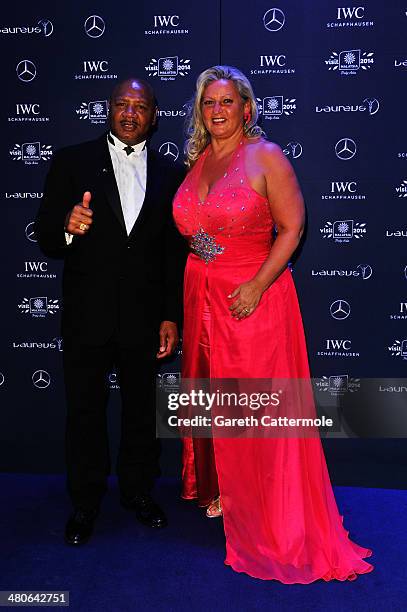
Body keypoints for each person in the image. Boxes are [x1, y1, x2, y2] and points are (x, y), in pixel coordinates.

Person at [172, 65, 373, 582]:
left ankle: (272, 516)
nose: (216, 111)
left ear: (246, 107)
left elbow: (292, 226)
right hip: (202, 298)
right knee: (217, 401)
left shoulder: (265, 156)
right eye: (208, 103)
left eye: (226, 102)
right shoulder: (197, 161)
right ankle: (226, 493)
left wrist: (258, 284)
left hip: (252, 298)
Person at [36, 78, 186, 545]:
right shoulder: (71, 161)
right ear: (108, 109)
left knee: (141, 412)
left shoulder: (170, 173)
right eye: (122, 104)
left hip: (144, 318)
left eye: (140, 106)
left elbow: (171, 255)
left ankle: (139, 492)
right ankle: (85, 502)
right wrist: (66, 225)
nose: (129, 113)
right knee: (85, 412)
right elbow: (44, 234)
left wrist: (169, 315)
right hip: (87, 314)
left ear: (154, 116)